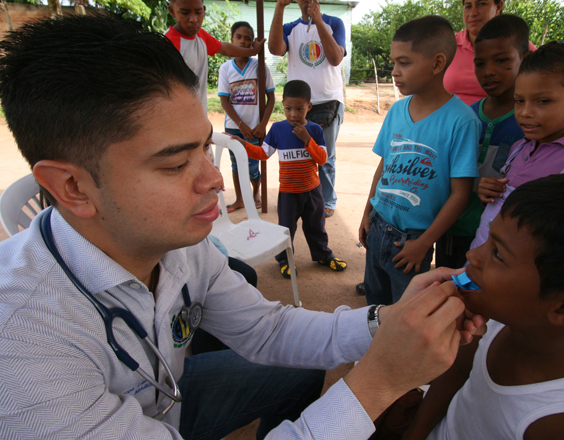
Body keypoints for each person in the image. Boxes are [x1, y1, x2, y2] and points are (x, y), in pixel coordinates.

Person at [0, 16, 484, 439]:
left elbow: (266, 329)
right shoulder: (22, 343)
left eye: (204, 149)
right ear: (72, 187)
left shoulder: (175, 244)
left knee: (302, 369)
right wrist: (378, 382)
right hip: (157, 402)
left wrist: (386, 322)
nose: (213, 180)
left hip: (170, 395)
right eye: (174, 165)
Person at [402, 174, 564, 440]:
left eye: (499, 254)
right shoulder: (498, 320)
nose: (472, 255)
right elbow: (455, 375)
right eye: (489, 239)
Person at [357, 16, 479, 305]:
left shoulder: (461, 122)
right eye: (393, 62)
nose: (395, 72)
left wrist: (423, 245)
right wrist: (366, 212)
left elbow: (461, 194)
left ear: (437, 63)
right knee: (374, 302)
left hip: (411, 242)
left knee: (404, 311)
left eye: (405, 62)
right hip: (377, 225)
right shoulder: (397, 111)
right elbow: (384, 166)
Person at [471, 42, 564, 250]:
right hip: (481, 258)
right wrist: (489, 192)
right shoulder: (520, 148)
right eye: (519, 101)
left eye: (543, 101)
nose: (525, 113)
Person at [228, 80, 347, 278]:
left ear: (309, 107)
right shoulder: (277, 129)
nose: (293, 114)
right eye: (288, 108)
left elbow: (322, 159)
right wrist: (243, 144)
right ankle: (284, 260)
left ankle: (323, 255)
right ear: (282, 105)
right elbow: (263, 153)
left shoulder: (316, 130)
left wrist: (307, 139)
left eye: (299, 109)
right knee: (285, 229)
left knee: (316, 226)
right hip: (288, 193)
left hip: (312, 191)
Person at [439, 14, 529, 269]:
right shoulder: (466, 116)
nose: (488, 72)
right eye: (480, 63)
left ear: (525, 60)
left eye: (502, 61)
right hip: (453, 228)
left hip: (499, 239)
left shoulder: (531, 124)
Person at [269, 0, 346, 218]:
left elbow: (335, 58)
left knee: (324, 155)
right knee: (297, 154)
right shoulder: (289, 28)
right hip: (299, 106)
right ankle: (302, 198)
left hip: (327, 103)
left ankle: (327, 200)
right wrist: (279, 7)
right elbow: (275, 50)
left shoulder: (334, 23)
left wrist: (318, 20)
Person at [165, 0, 264, 113]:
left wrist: (253, 51)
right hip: (178, 117)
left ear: (204, 10)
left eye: (198, 12)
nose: (193, 19)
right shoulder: (167, 44)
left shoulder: (200, 35)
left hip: (199, 114)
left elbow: (224, 48)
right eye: (185, 12)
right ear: (172, 11)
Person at [218, 21, 275, 213]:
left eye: (248, 38)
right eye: (239, 37)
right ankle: (240, 199)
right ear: (232, 39)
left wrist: (262, 124)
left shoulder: (260, 67)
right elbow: (225, 101)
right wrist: (240, 125)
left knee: (252, 167)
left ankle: (256, 192)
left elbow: (271, 98)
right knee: (236, 165)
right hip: (234, 127)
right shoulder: (225, 68)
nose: (243, 41)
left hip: (254, 128)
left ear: (252, 44)